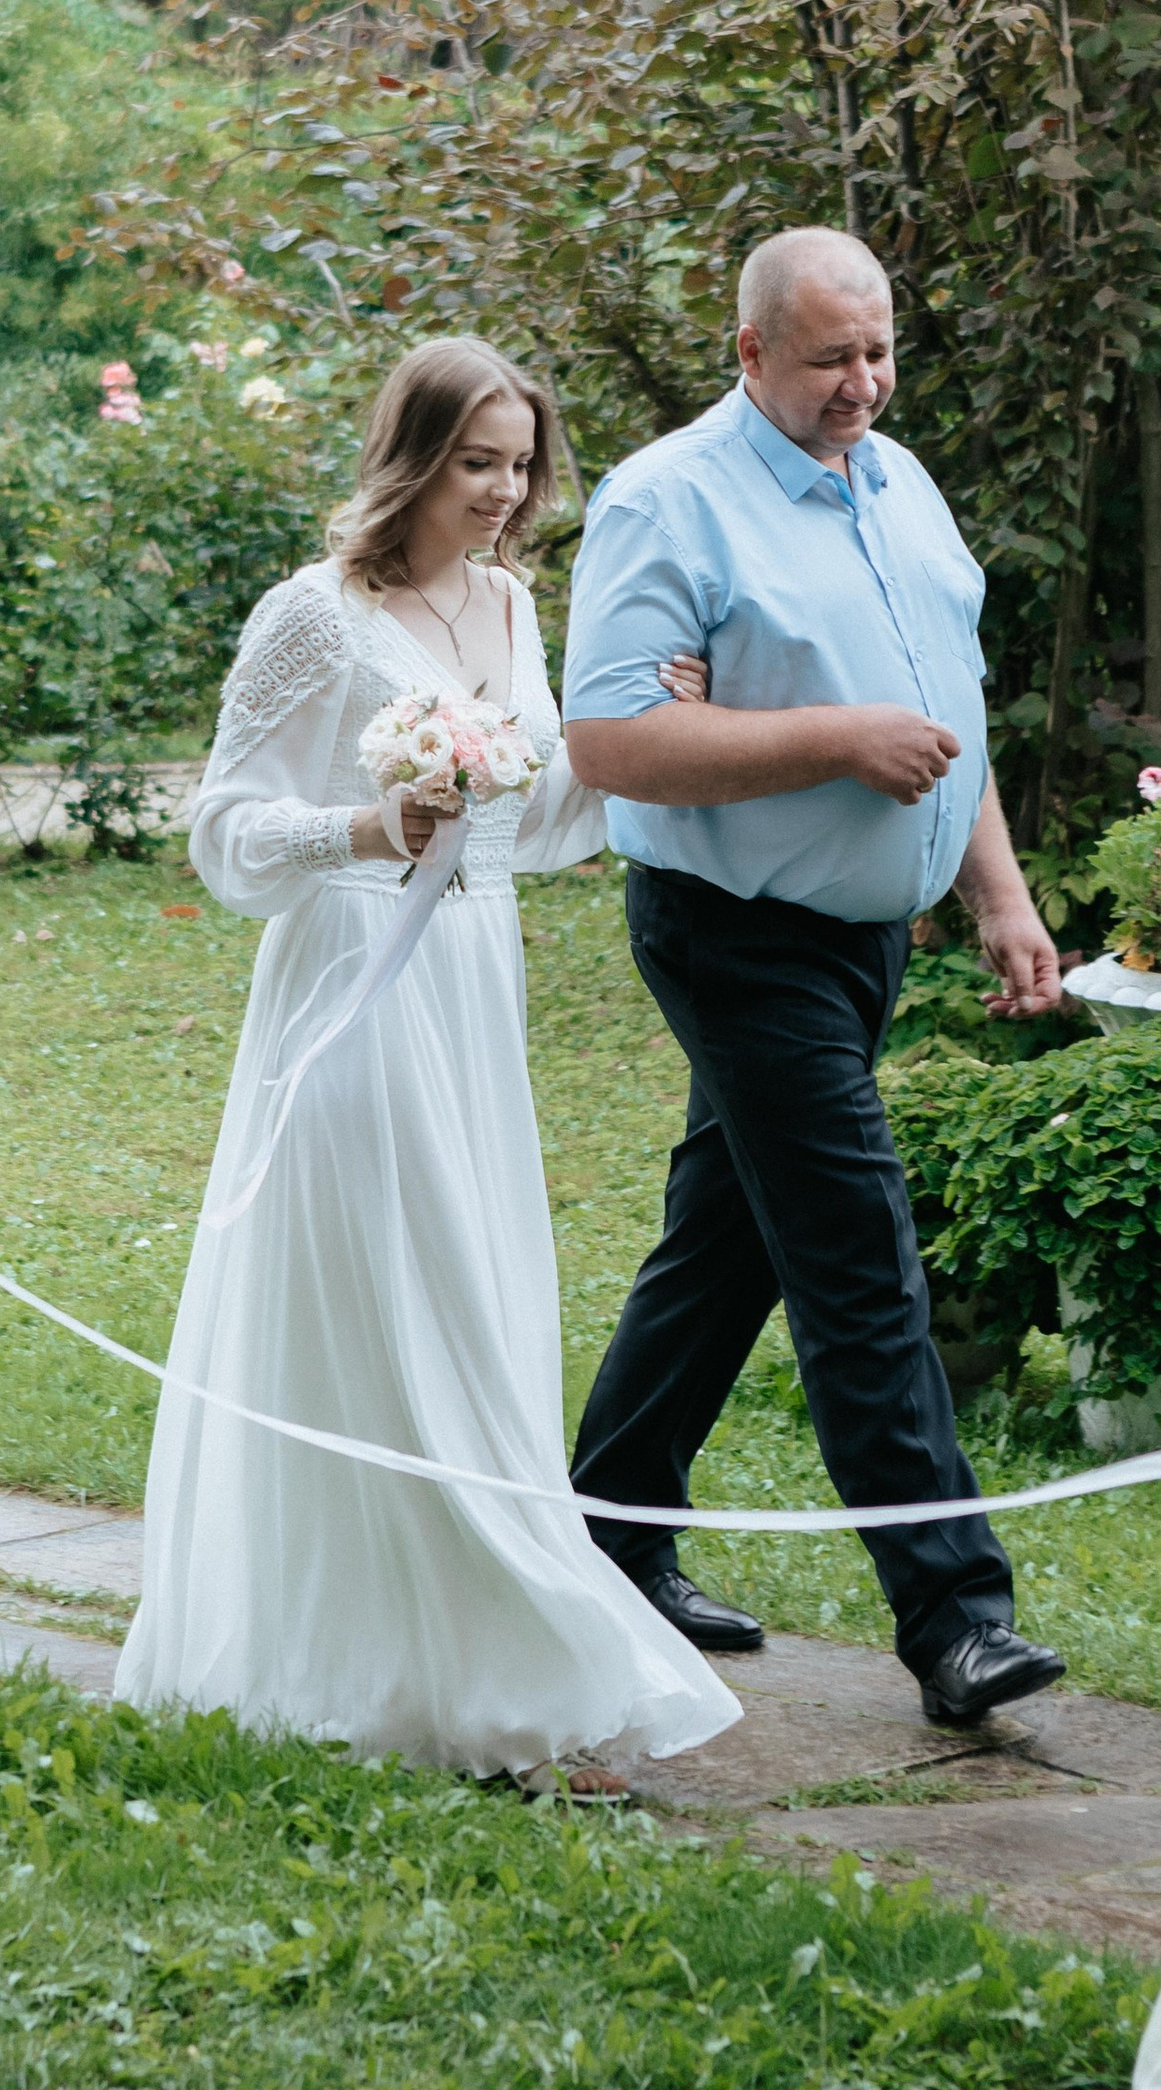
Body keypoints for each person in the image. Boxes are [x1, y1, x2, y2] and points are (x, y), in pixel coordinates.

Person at [114, 336, 741, 1783]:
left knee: (477, 1294)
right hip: (350, 984)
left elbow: (540, 815)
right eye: (477, 463)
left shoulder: (515, 606)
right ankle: (485, 1658)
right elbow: (222, 830)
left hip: (470, 986)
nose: (506, 494)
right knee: (394, 1300)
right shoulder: (313, 617)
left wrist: (646, 733)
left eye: (522, 466)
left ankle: (477, 1655)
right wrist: (359, 828)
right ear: (409, 457)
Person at [559, 229, 1069, 1731]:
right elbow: (612, 741)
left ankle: (607, 1537)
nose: (866, 384)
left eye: (881, 351)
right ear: (751, 352)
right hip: (735, 929)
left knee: (728, 1245)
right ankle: (958, 1619)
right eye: (833, 359)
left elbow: (950, 715)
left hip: (866, 941)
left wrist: (999, 892)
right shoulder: (665, 501)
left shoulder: (898, 481)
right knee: (855, 1247)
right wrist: (837, 738)